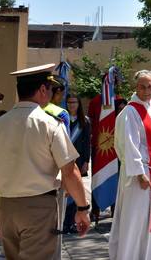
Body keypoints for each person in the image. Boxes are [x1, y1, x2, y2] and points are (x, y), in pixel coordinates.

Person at [0, 64, 90, 259]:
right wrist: (82, 208)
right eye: (50, 89)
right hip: (39, 208)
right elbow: (69, 171)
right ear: (42, 90)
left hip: (6, 207)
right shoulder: (50, 124)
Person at [110, 70, 151, 260]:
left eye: (150, 87)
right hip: (140, 176)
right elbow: (128, 144)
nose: (146, 91)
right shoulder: (130, 112)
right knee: (136, 221)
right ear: (136, 86)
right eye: (142, 86)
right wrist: (139, 173)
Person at [63, 93, 91, 234]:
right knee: (66, 191)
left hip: (79, 160)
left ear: (79, 104)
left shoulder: (84, 121)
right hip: (65, 159)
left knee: (76, 191)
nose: (72, 105)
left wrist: (86, 161)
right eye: (69, 102)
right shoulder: (63, 120)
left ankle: (73, 222)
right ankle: (65, 223)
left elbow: (87, 142)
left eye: (74, 102)